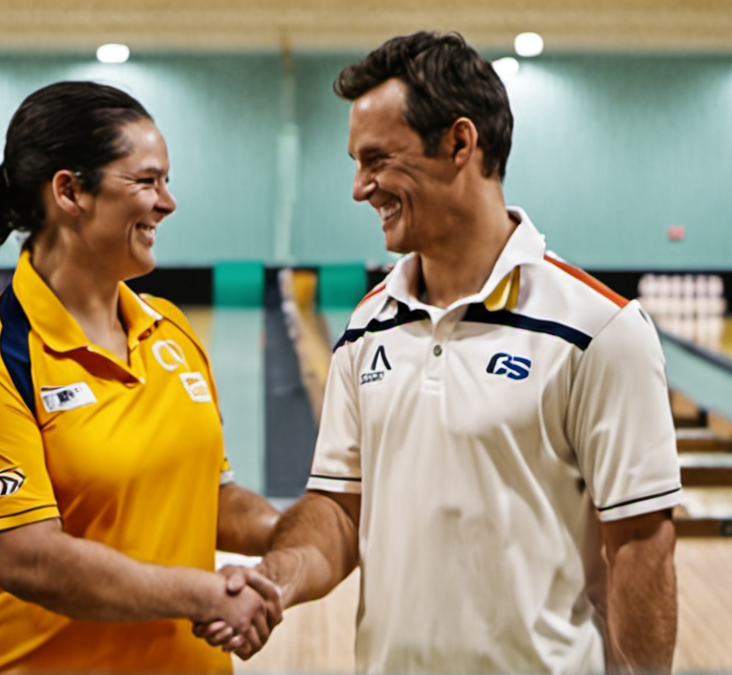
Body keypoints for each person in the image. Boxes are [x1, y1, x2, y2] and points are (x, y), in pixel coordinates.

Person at [199, 31, 682, 673]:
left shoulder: (599, 330)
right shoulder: (366, 327)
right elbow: (341, 515)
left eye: (376, 160)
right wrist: (275, 580)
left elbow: (641, 544)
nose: (358, 187)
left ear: (460, 143)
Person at [0, 81, 281, 674]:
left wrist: (295, 535)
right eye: (147, 181)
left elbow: (207, 497)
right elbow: (31, 560)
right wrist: (204, 594)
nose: (168, 202)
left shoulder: (172, 332)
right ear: (70, 191)